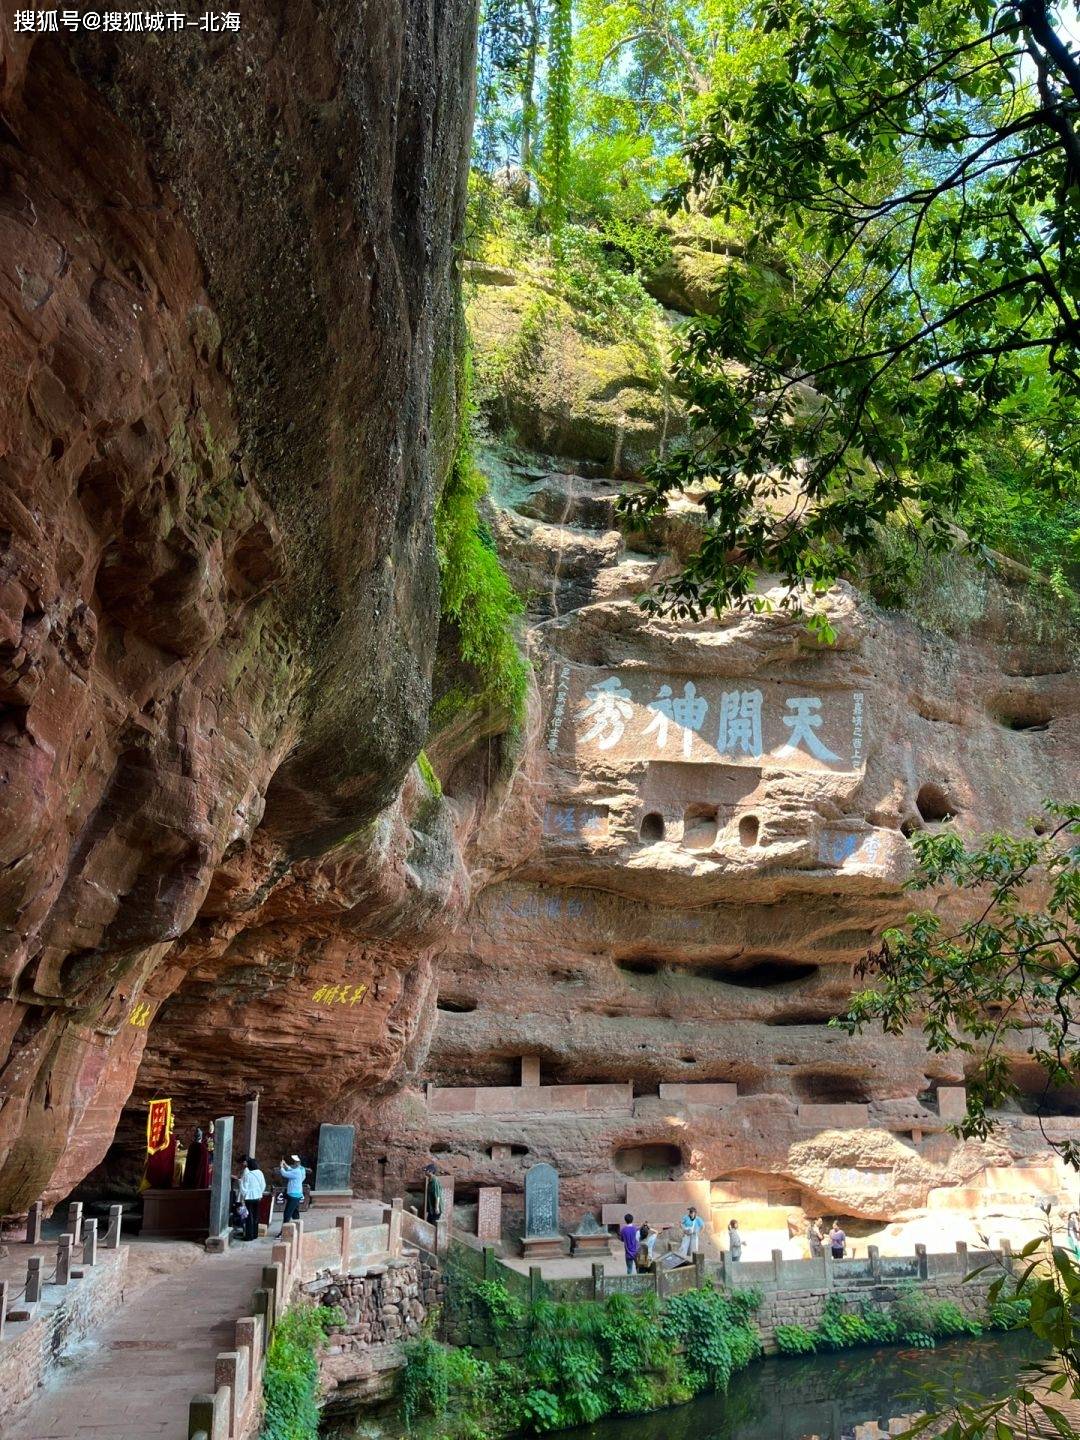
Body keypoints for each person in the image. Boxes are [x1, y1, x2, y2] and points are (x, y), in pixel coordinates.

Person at [238, 1156, 267, 1241]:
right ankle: (255, 1234)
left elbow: (244, 1190)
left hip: (249, 1198)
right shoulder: (260, 1173)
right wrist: (259, 1192)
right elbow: (263, 1185)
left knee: (249, 1217)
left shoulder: (248, 1175)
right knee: (256, 1216)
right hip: (257, 1197)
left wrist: (240, 1183)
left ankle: (249, 1236)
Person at [276, 1153, 307, 1230]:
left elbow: (284, 1173)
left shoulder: (297, 1171)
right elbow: (290, 1169)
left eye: (296, 1161)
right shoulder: (299, 1169)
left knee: (287, 1214)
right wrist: (285, 1164)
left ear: (299, 1162)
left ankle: (283, 1232)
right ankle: (297, 1230)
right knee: (295, 1213)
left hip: (294, 1195)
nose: (294, 1162)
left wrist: (281, 1166)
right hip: (296, 1195)